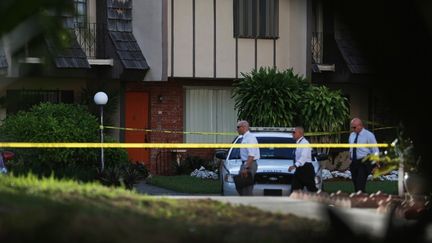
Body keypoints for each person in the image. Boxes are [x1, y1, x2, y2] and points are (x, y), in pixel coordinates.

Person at [349, 118, 379, 193]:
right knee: (355, 183)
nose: (353, 129)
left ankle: (362, 199)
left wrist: (375, 164)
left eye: (354, 127)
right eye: (352, 127)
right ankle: (359, 198)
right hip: (354, 162)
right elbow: (351, 148)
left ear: (360, 126)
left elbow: (375, 150)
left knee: (360, 183)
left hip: (364, 162)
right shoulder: (352, 135)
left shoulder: (369, 135)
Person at [288, 126, 318, 193]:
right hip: (300, 169)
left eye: (294, 132)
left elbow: (303, 157)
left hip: (306, 169)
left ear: (300, 133)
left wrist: (294, 166)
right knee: (295, 189)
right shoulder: (298, 143)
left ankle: (324, 199)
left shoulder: (305, 143)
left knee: (312, 189)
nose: (292, 134)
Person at [235, 120, 260, 196]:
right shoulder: (245, 137)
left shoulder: (250, 138)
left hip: (249, 164)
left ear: (244, 127)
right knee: (240, 186)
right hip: (246, 163)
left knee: (247, 189)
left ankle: (248, 204)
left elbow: (251, 155)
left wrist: (246, 168)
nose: (237, 129)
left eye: (238, 127)